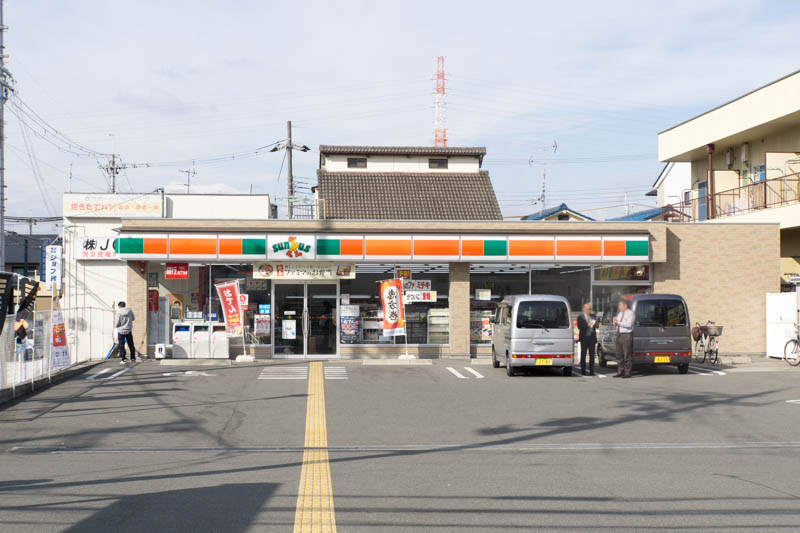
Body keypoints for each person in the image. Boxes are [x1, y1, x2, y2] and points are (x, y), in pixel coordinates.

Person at [613, 299, 634, 378]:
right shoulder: (620, 313)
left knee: (627, 354)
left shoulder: (630, 313)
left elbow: (629, 324)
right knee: (619, 354)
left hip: (626, 335)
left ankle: (627, 372)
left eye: (620, 305)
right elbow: (617, 324)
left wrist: (618, 323)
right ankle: (620, 371)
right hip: (618, 335)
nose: (619, 307)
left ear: (625, 305)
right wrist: (614, 322)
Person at [576, 302, 598, 375]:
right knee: (583, 355)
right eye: (588, 309)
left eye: (590, 309)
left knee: (592, 355)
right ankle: (583, 370)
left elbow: (597, 326)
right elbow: (579, 327)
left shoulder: (593, 316)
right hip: (584, 338)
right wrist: (588, 325)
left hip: (592, 338)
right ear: (584, 309)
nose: (589, 310)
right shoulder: (580, 317)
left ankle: (591, 371)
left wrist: (596, 323)